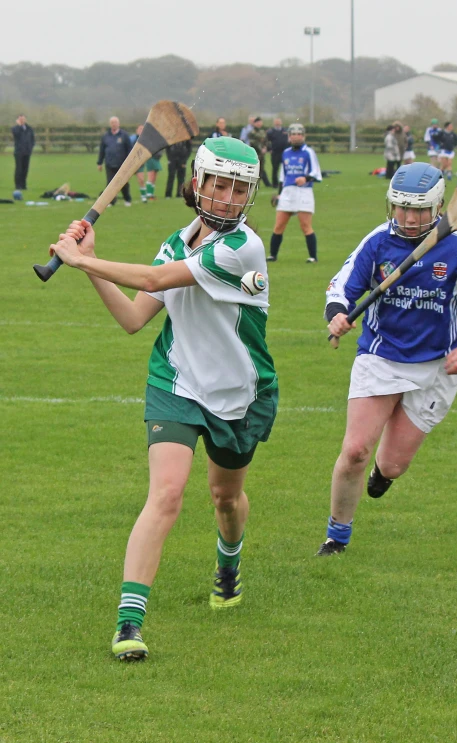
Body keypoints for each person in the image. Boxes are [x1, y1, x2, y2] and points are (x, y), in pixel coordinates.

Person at [49, 137, 278, 660]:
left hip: (240, 393)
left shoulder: (241, 247)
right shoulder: (178, 241)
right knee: (167, 494)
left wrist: (83, 261)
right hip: (176, 382)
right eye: (219, 184)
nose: (227, 197)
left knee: (225, 498)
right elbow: (134, 317)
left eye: (239, 188)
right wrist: (88, 263)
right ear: (197, 184)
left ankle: (228, 561)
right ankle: (129, 624)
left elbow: (154, 278)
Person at [316, 162, 457, 556]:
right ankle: (337, 537)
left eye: (419, 209)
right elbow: (342, 288)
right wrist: (336, 314)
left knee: (390, 466)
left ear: (439, 207)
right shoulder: (377, 241)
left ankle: (382, 474)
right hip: (381, 357)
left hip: (438, 368)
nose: (409, 217)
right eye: (401, 207)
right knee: (355, 450)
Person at [267, 123, 322, 263]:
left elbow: (316, 173)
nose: (296, 137)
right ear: (289, 137)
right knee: (279, 225)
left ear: (303, 136)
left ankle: (313, 257)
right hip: (287, 192)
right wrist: (280, 193)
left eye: (299, 134)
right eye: (293, 134)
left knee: (305, 226)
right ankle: (273, 255)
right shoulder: (286, 153)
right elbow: (282, 176)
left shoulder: (308, 152)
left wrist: (305, 178)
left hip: (304, 192)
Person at [97, 116, 133, 206]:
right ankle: (111, 201)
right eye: (112, 123)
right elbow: (102, 150)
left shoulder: (124, 135)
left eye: (115, 122)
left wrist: (130, 163)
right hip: (109, 163)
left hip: (122, 164)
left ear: (118, 124)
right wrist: (99, 162)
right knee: (110, 184)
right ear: (110, 124)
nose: (114, 124)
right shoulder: (106, 136)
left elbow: (129, 149)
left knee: (123, 183)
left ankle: (127, 199)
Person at [11, 114, 35, 192]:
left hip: (27, 152)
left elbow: (32, 139)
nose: (22, 120)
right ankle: (18, 185)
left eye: (23, 119)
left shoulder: (29, 129)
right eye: (20, 119)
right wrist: (19, 126)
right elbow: (16, 134)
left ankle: (24, 185)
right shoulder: (15, 128)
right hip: (19, 152)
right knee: (19, 169)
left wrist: (30, 148)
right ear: (18, 120)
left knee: (25, 169)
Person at [248, 117, 272, 188]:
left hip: (262, 154)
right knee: (255, 168)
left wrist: (265, 147)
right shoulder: (252, 132)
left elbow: (266, 141)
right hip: (255, 153)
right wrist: (260, 148)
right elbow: (253, 142)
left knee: (261, 169)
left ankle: (257, 183)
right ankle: (252, 182)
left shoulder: (263, 132)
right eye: (258, 122)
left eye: (260, 122)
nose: (259, 124)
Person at [266, 118, 288, 190]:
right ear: (274, 123)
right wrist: (269, 149)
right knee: (275, 168)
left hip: (284, 152)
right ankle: (275, 183)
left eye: (279, 122)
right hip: (275, 152)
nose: (278, 124)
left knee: (285, 167)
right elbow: (267, 141)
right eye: (276, 122)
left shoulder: (285, 131)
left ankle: (285, 182)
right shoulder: (271, 132)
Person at [130, 125, 148, 203]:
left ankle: (144, 197)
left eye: (142, 129)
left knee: (141, 179)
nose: (141, 130)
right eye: (140, 129)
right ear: (136, 130)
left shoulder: (145, 140)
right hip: (130, 163)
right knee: (123, 181)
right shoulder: (132, 139)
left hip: (140, 163)